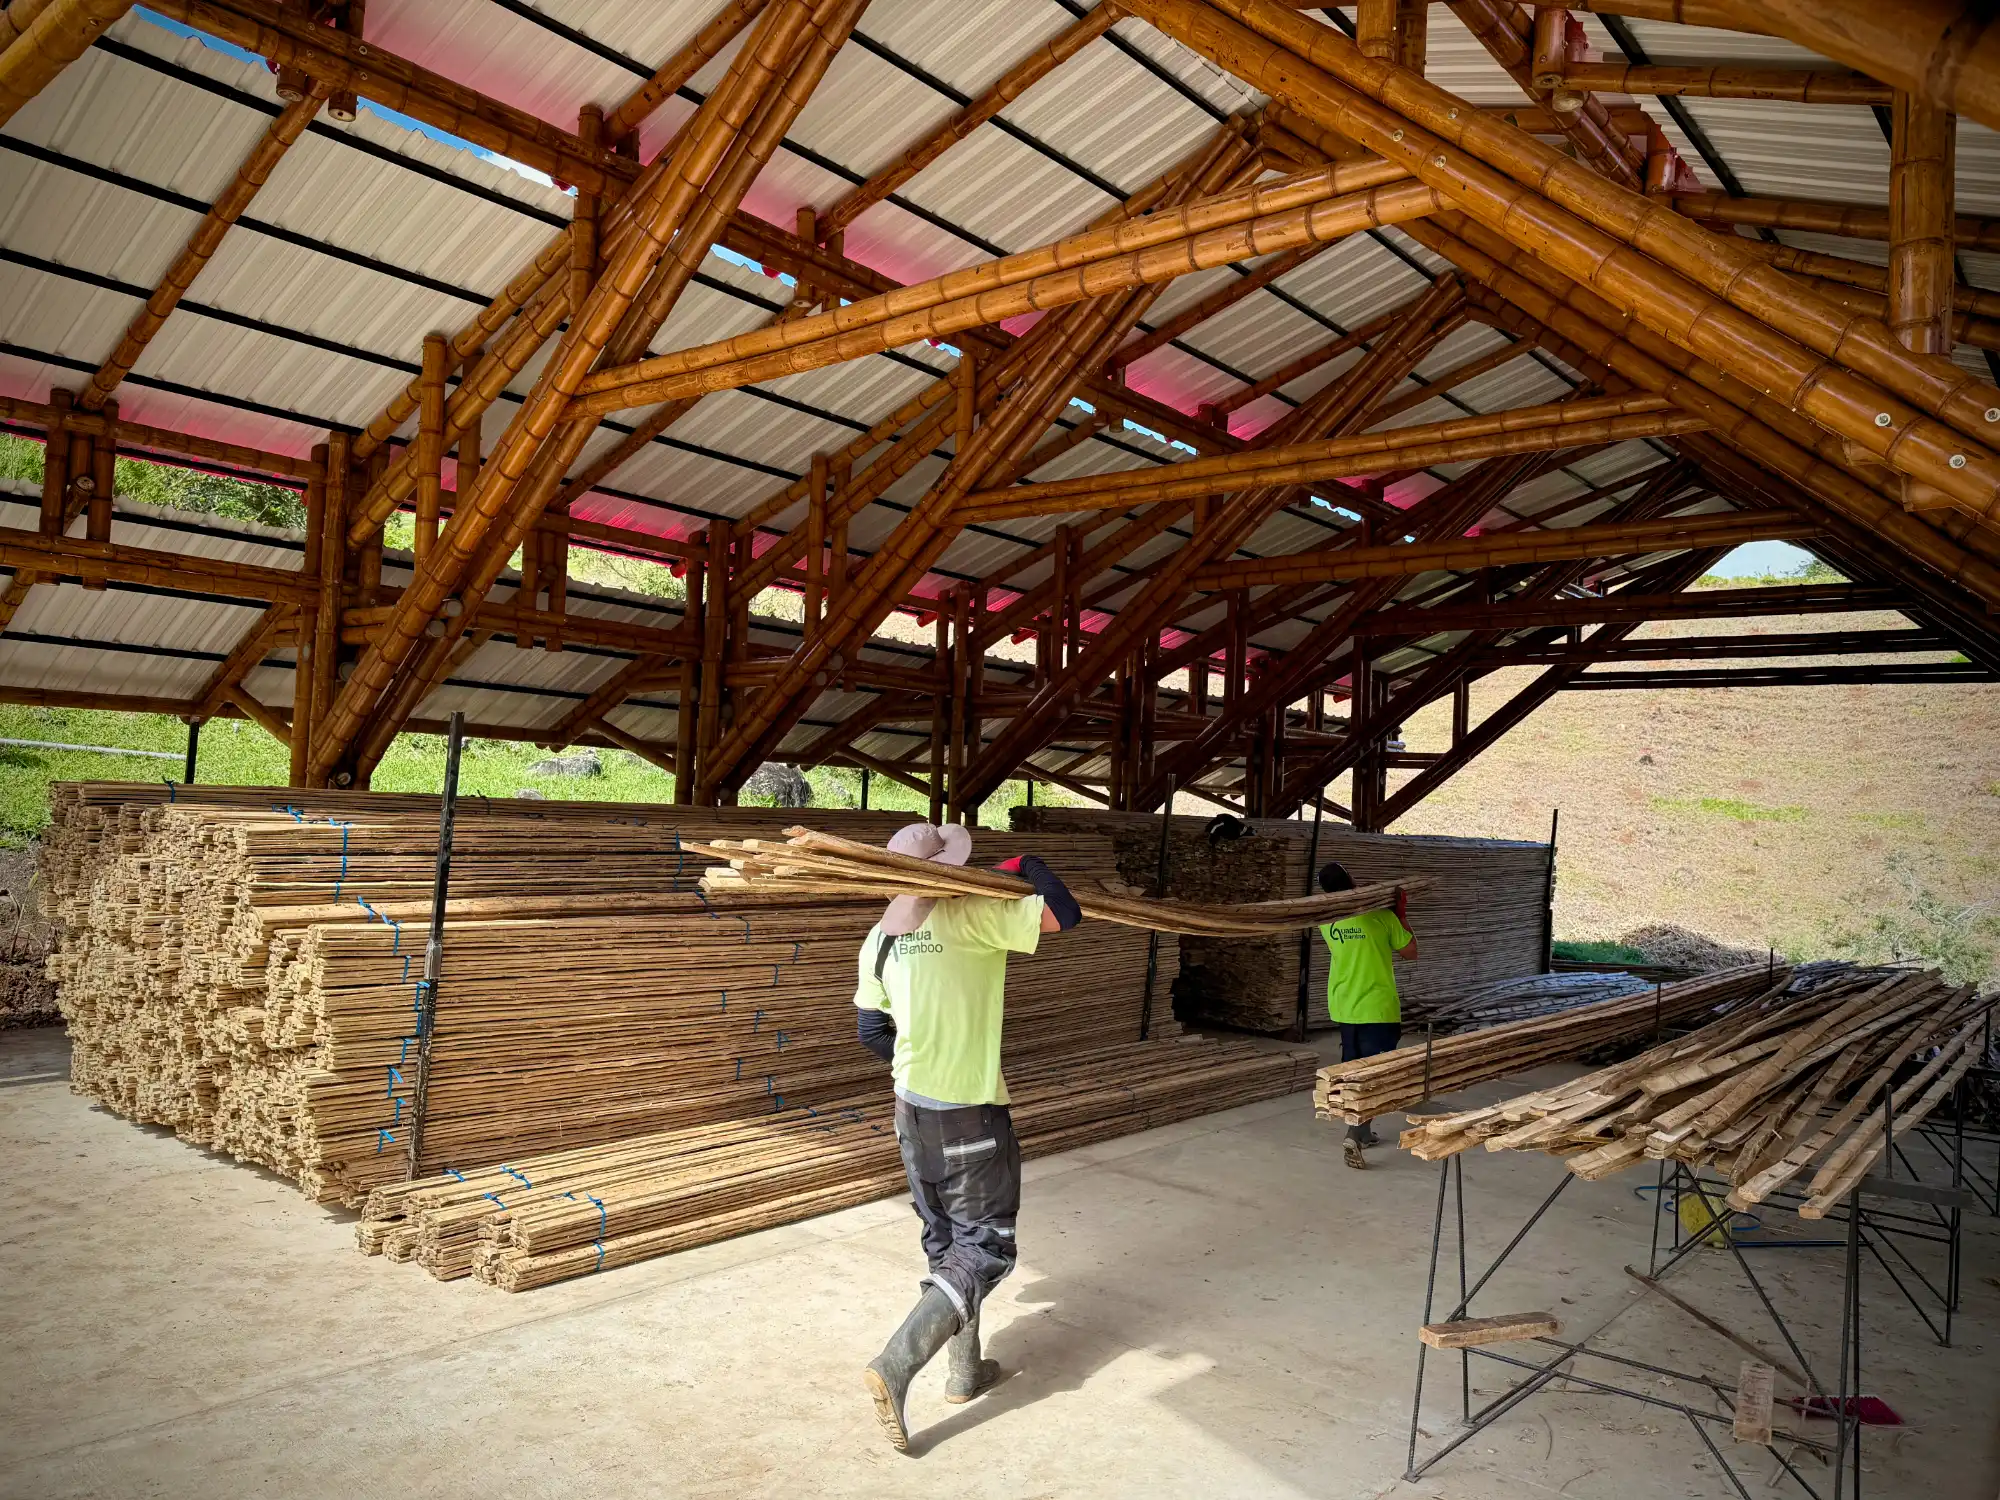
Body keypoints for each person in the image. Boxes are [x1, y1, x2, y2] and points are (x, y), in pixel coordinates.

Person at [852, 822, 1082, 1454]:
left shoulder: (878, 940)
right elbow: (1068, 913)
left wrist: (918, 1063)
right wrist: (1028, 862)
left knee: (946, 1245)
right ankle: (897, 1364)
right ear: (951, 872)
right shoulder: (977, 917)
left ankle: (963, 1370)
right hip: (971, 1114)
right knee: (987, 1250)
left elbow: (872, 1031)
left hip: (911, 1112)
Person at [1317, 860, 1417, 1170]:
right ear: (1352, 880)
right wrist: (1400, 915)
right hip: (1377, 1007)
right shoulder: (1382, 918)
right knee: (1375, 1076)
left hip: (1345, 1007)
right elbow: (1411, 951)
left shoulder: (1327, 922)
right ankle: (1354, 1134)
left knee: (1355, 1070)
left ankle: (1365, 1131)